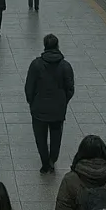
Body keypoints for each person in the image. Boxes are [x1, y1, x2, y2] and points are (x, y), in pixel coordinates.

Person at [25, 34, 75, 174]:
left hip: (39, 109)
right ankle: (53, 159)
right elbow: (70, 88)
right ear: (57, 46)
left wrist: (32, 102)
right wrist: (63, 101)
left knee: (40, 138)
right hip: (58, 110)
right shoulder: (65, 66)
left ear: (45, 46)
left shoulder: (36, 65)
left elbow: (29, 87)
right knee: (56, 136)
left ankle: (44, 162)